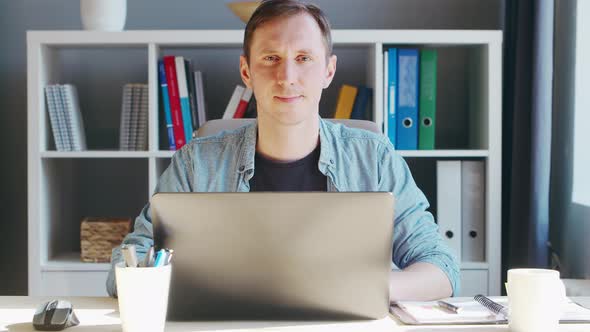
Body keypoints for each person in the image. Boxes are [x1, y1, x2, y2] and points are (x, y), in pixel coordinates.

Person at [107, 0, 460, 301]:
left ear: (328, 70)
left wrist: (361, 287)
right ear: (247, 71)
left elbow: (441, 268)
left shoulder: (375, 158)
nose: (287, 76)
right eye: (271, 58)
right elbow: (126, 267)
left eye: (304, 58)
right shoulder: (197, 163)